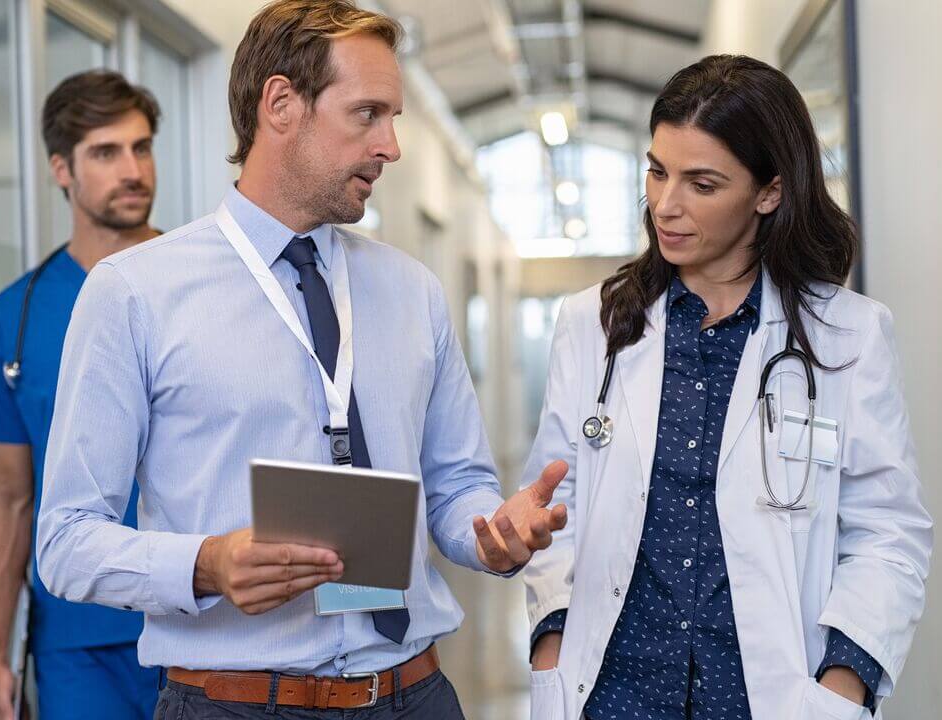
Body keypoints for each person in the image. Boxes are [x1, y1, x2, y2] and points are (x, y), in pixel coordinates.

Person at [35, 2, 567, 718]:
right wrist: (206, 564)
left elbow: (456, 487)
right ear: (281, 104)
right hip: (236, 703)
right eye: (367, 114)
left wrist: (494, 534)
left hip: (412, 694)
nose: (390, 146)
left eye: (393, 118)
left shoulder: (412, 291)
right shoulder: (135, 293)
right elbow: (65, 540)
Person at [521, 54, 933, 720]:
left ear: (769, 192)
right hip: (613, 695)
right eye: (657, 171)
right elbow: (553, 502)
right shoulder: (591, 323)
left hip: (768, 699)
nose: (666, 204)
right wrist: (552, 644)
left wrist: (843, 683)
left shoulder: (848, 336)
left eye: (702, 184)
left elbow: (889, 533)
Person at [0, 69, 163, 720]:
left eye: (141, 147)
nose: (132, 170)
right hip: (77, 643)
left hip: (210, 621)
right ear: (61, 170)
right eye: (105, 152)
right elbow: (7, 498)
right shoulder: (11, 322)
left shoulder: (207, 286)